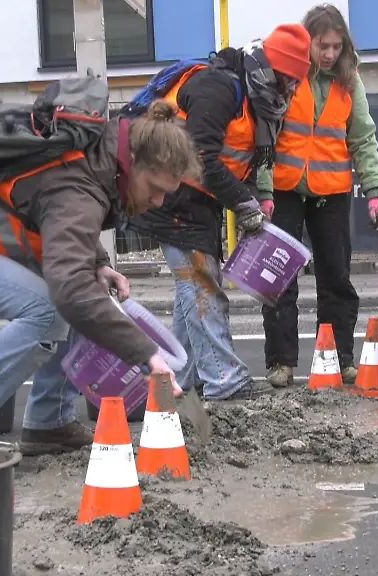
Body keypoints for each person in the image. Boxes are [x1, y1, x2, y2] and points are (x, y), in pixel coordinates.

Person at [0, 100, 201, 455]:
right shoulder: (83, 182)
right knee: (51, 307)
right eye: (154, 188)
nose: (157, 201)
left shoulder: (98, 159)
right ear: (133, 165)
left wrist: (97, 262)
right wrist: (147, 356)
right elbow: (70, 228)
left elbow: (59, 215)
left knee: (84, 292)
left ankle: (50, 423)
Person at [127, 23, 313, 401]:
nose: (290, 91)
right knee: (203, 289)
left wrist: (251, 198)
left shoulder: (249, 98)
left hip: (191, 203)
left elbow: (227, 162)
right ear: (269, 70)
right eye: (287, 81)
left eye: (295, 82)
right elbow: (200, 158)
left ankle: (174, 383)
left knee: (191, 297)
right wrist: (244, 203)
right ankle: (224, 381)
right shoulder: (217, 88)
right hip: (172, 200)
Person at [256, 4, 378, 388]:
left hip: (331, 191)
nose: (329, 53)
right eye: (322, 45)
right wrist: (263, 190)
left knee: (336, 277)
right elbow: (265, 137)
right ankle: (280, 362)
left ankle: (339, 357)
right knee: (279, 278)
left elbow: (362, 137)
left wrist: (374, 192)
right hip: (284, 189)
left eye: (336, 46)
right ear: (307, 43)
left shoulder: (350, 82)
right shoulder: (287, 76)